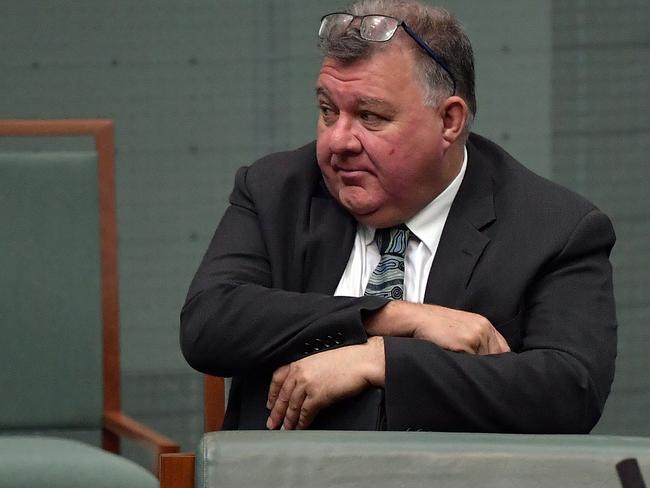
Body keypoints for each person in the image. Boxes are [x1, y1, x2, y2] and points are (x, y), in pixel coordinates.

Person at [181, 0, 617, 433]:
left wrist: (382, 359)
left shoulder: (553, 228)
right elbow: (209, 323)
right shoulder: (278, 189)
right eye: (328, 110)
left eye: (369, 116)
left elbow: (569, 390)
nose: (338, 141)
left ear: (449, 120)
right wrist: (391, 316)